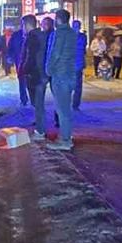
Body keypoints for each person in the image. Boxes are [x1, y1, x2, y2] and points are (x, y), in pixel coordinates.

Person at [43, 10, 80, 150]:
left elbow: (56, 53)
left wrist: (48, 69)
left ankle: (65, 140)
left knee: (62, 109)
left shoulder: (59, 33)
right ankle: (66, 135)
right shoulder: (72, 33)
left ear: (58, 19)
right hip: (70, 75)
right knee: (66, 108)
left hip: (60, 75)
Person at [19, 14, 48, 136]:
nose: (22, 28)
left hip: (35, 74)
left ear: (26, 25)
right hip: (42, 73)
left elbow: (30, 57)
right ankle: (39, 125)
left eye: (23, 25)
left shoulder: (32, 37)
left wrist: (23, 70)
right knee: (38, 103)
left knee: (37, 103)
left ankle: (40, 130)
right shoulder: (42, 35)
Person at [7, 24, 29, 106]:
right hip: (19, 60)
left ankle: (33, 98)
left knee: (30, 80)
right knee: (21, 79)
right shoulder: (16, 35)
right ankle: (23, 99)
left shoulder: (33, 34)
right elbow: (10, 46)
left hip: (30, 60)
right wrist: (10, 56)